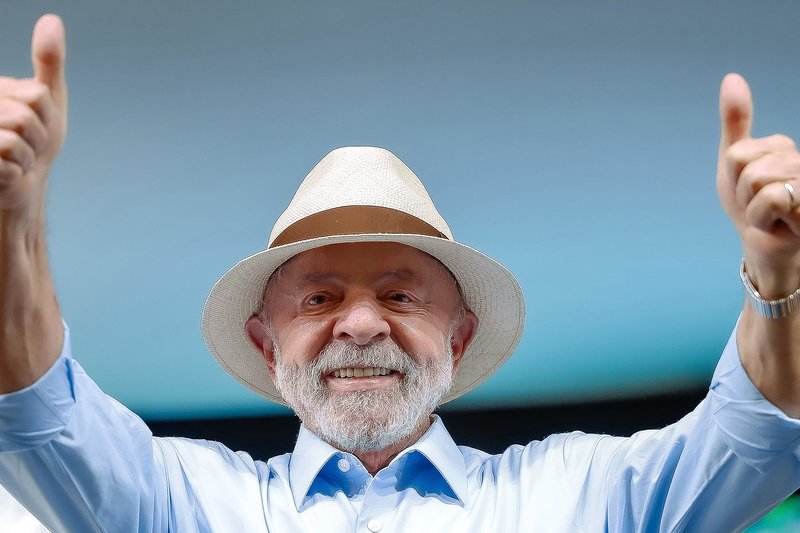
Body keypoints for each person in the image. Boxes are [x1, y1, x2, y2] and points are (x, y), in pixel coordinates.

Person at [1, 13, 800, 533]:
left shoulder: (583, 493)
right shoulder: (180, 501)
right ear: (266, 343)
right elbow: (35, 408)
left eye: (398, 294)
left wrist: (777, 271)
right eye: (318, 296)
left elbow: (758, 435)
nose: (359, 323)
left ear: (459, 336)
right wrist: (14, 221)